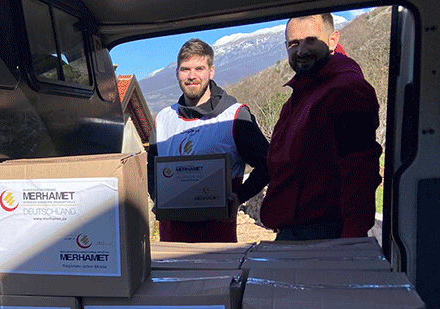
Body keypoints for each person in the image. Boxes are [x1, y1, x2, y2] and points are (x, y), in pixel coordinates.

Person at [260, 13, 382, 240]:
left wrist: (349, 244)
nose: (301, 51)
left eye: (311, 40)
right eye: (293, 44)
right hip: (295, 234)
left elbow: (360, 173)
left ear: (333, 40)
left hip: (326, 235)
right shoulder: (298, 98)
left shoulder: (346, 91)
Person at [150, 38, 270, 243]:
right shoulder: (162, 120)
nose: (192, 76)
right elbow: (151, 170)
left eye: (199, 68)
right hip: (171, 244)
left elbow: (267, 164)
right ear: (177, 73)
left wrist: (239, 196)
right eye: (185, 69)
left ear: (211, 71)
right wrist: (158, 197)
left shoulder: (235, 116)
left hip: (217, 246)